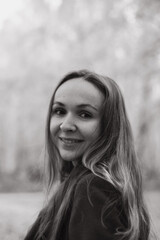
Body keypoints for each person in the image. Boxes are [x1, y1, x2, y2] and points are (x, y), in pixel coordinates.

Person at [24, 70, 151, 240]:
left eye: (85, 114)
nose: (66, 125)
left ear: (109, 127)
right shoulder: (77, 182)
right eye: (60, 111)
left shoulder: (92, 189)